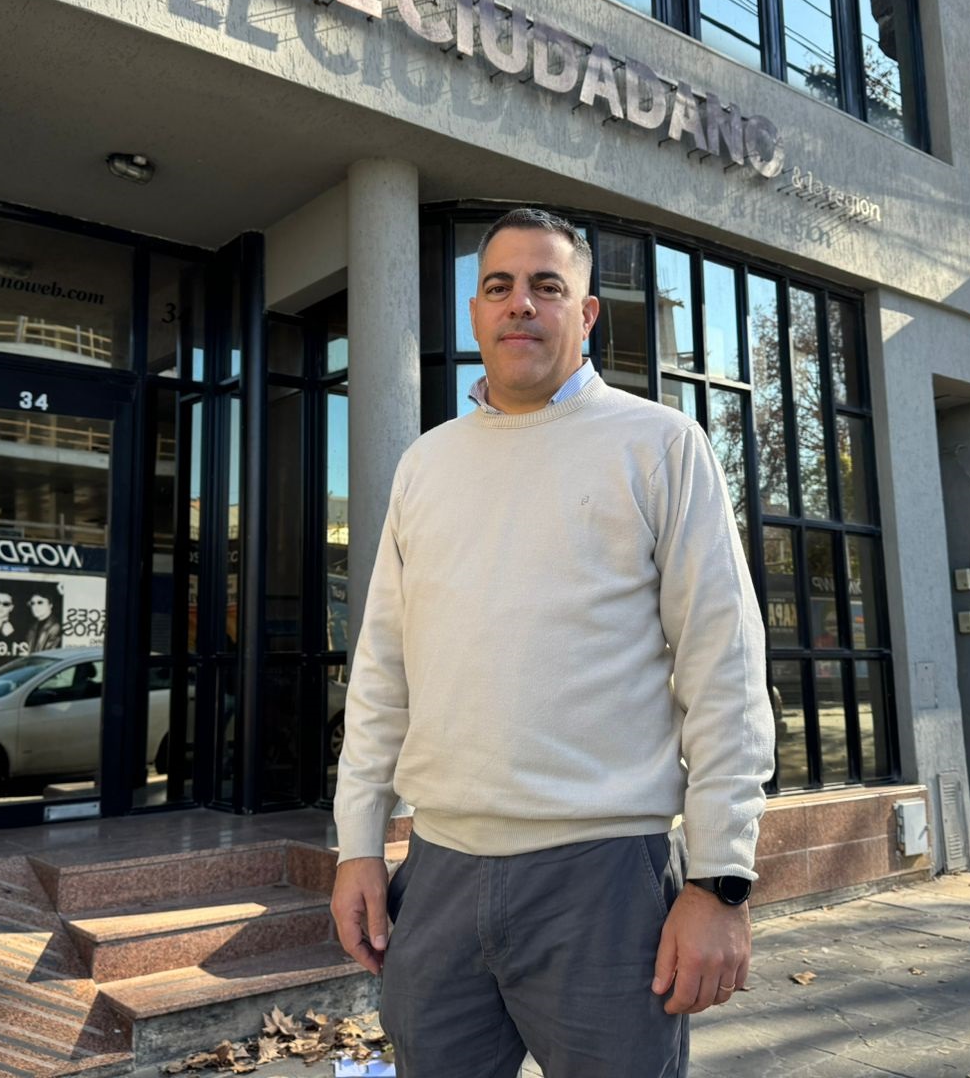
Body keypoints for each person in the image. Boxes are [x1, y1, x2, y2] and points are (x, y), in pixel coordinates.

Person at [331, 207, 774, 1077]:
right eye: (499, 286)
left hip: (605, 885)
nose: (521, 304)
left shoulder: (661, 445)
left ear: (587, 312)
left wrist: (720, 880)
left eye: (547, 285)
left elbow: (722, 665)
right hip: (438, 876)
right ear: (475, 313)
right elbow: (382, 670)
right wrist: (357, 845)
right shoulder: (425, 465)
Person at [23, 588, 63, 654]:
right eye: (32, 603)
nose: (35, 606)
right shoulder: (32, 627)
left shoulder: (56, 627)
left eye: (40, 602)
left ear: (50, 605)